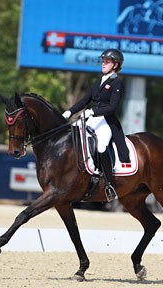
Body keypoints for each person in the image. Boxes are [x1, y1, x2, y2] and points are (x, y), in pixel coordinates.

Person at [62, 48, 130, 202]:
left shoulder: (117, 82)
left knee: (100, 147)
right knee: (73, 136)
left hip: (106, 121)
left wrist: (93, 111)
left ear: (115, 65)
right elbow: (84, 100)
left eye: (107, 61)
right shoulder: (98, 81)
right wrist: (69, 112)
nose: (103, 63)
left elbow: (112, 107)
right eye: (103, 61)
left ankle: (110, 184)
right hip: (91, 119)